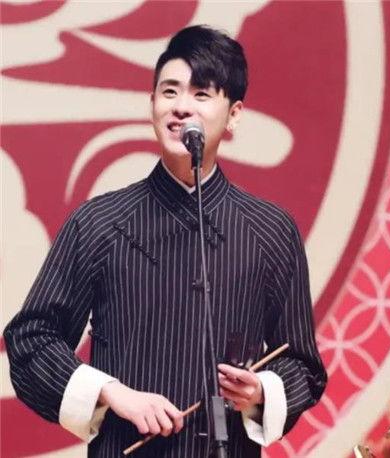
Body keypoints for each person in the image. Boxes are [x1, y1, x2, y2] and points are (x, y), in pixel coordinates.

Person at [4, 25, 327, 457]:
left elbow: (302, 365)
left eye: (201, 94)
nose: (181, 107)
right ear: (152, 104)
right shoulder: (99, 222)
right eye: (169, 91)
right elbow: (31, 339)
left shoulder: (271, 230)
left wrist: (259, 392)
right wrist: (112, 392)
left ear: (234, 114)